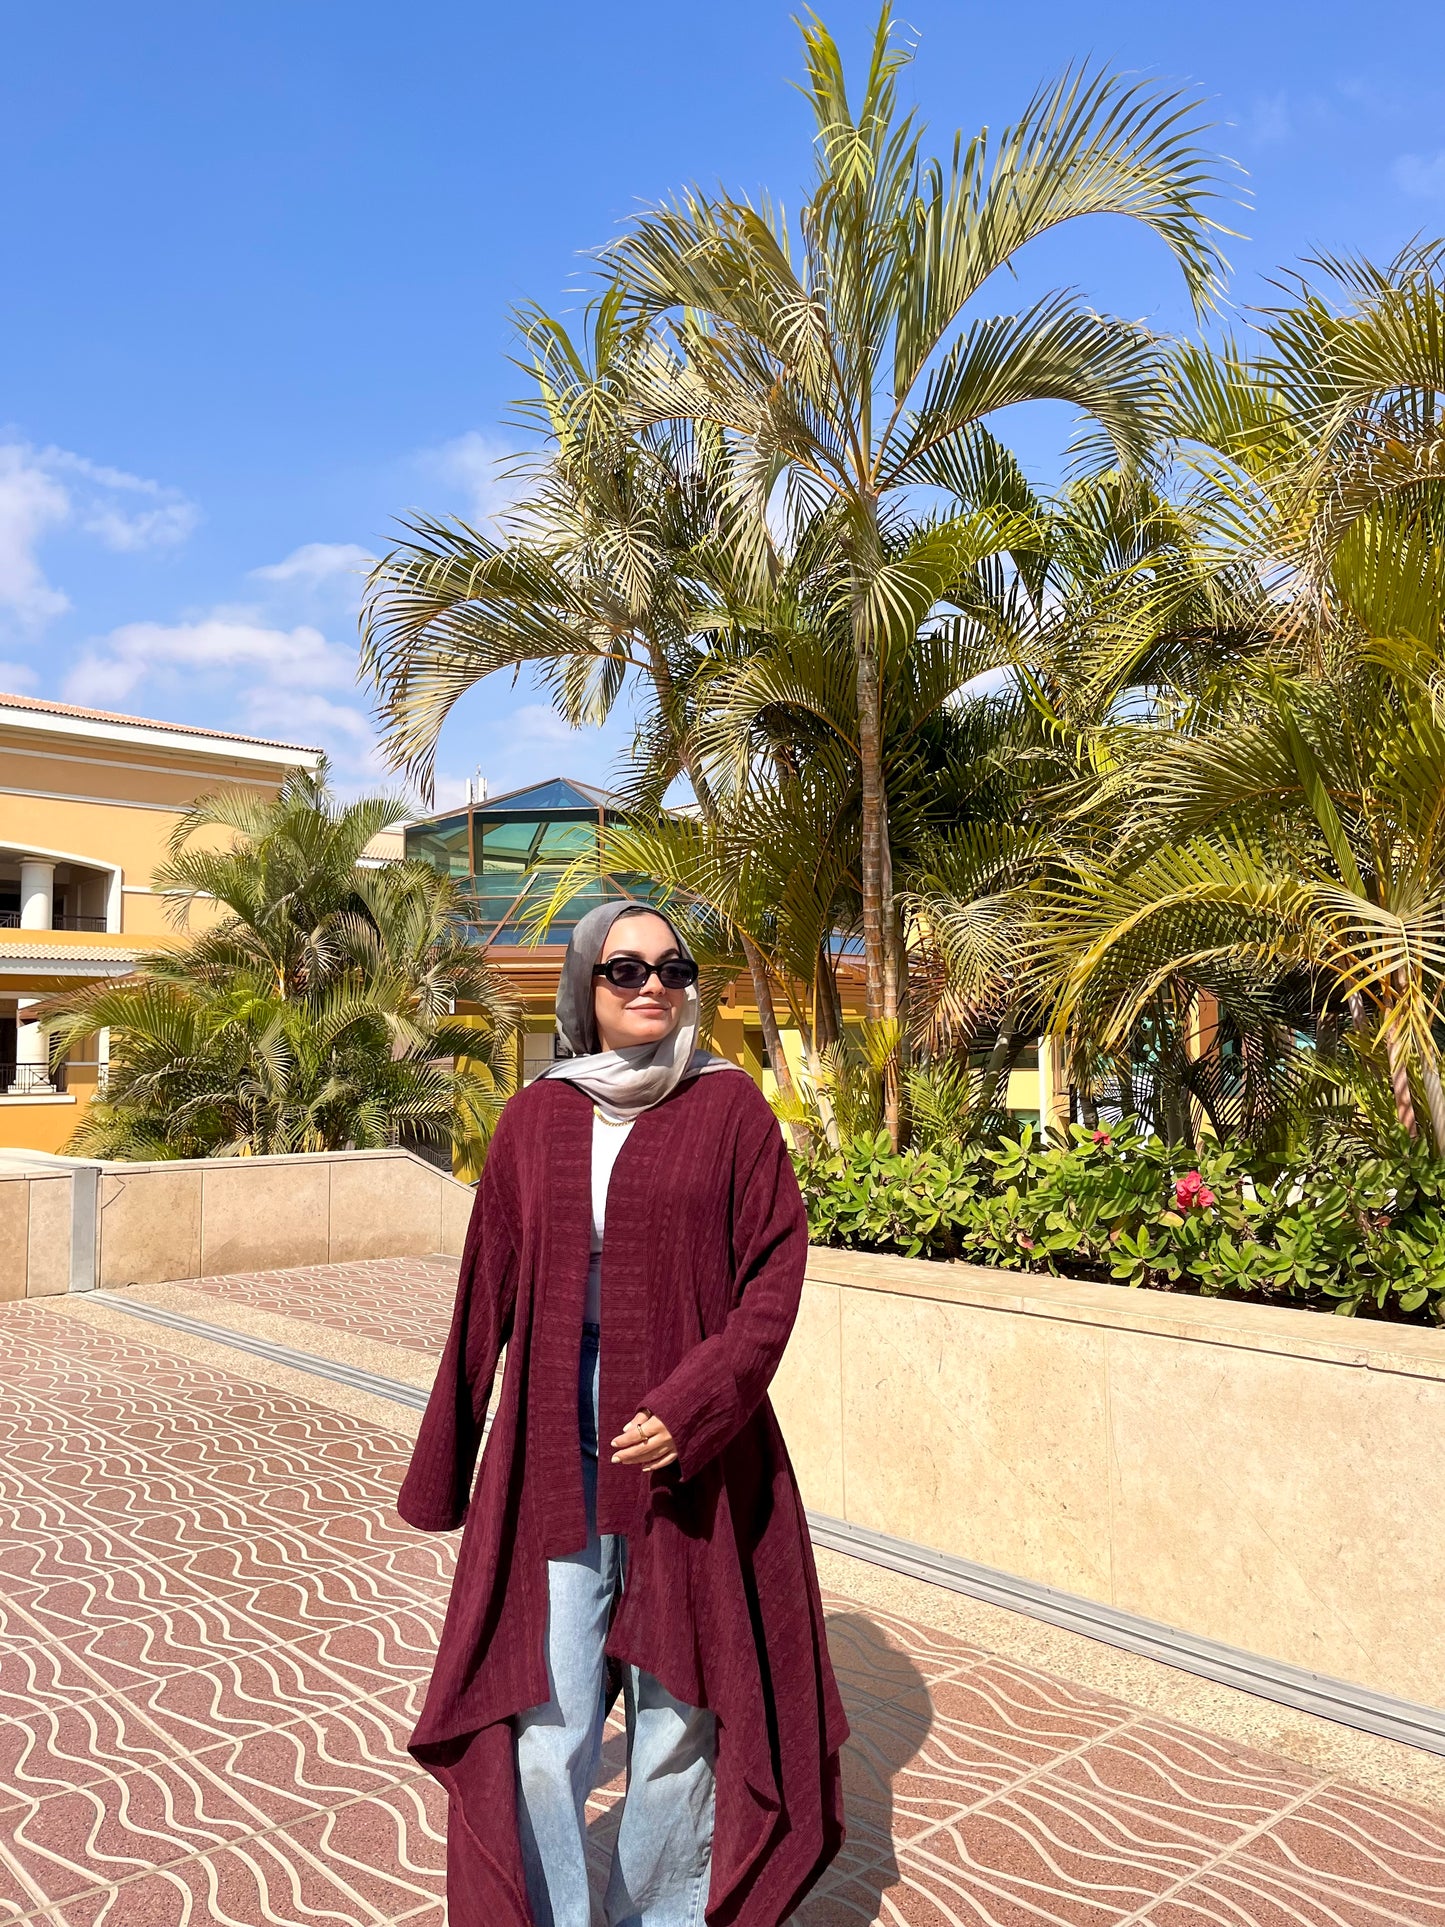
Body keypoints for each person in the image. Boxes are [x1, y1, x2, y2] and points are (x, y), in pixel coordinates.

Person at [398, 899, 847, 1927]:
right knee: (546, 1720)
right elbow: (485, 1294)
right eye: (623, 969)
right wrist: (447, 1467)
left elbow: (771, 1278)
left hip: (689, 1471)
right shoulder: (535, 1118)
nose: (651, 984)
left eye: (672, 967)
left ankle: (657, 1915)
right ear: (582, 992)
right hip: (554, 1457)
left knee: (672, 1724)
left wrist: (694, 1407)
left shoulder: (729, 1110)